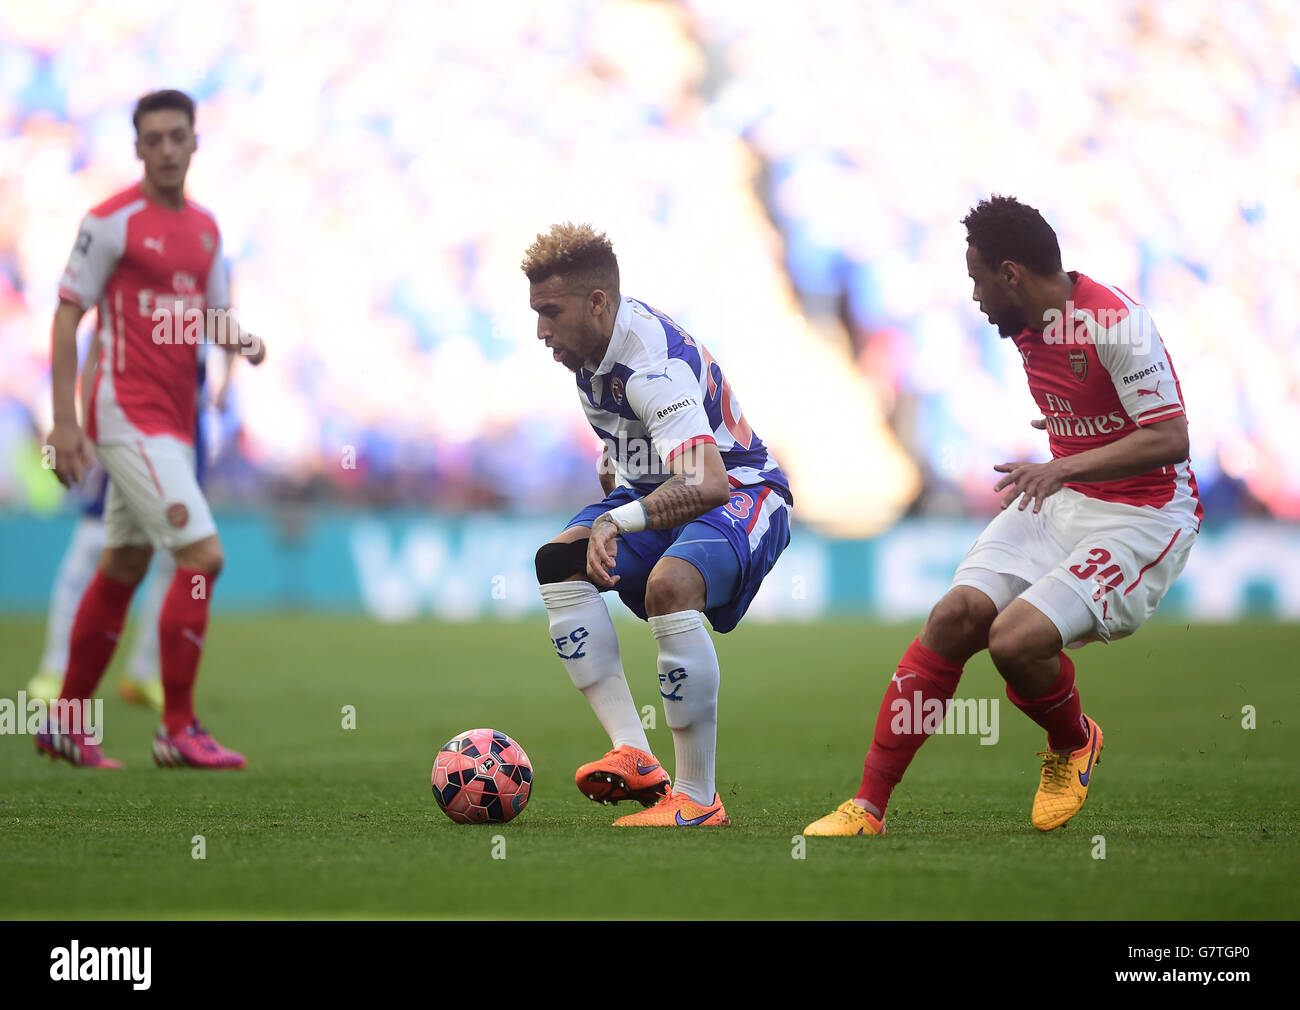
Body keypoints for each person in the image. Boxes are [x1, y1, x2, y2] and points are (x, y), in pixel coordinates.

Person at [805, 195, 1200, 836]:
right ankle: (867, 807)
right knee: (954, 616)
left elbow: (1172, 438)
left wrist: (1067, 463)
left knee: (1014, 641)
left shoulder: (1115, 322)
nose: (975, 296)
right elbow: (1094, 405)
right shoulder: (1023, 322)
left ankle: (1073, 742)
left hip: (1143, 514)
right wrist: (1071, 436)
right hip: (1065, 496)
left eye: (977, 279)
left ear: (1010, 274)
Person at [525, 222, 792, 827]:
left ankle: (698, 800)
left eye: (550, 312)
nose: (540, 330)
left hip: (743, 492)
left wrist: (616, 520)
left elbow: (707, 481)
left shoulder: (652, 366)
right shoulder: (590, 350)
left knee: (670, 585)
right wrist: (614, 483)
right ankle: (636, 754)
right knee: (557, 561)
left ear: (597, 303)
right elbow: (633, 442)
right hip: (657, 488)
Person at [39, 88, 265, 769]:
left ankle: (63, 723)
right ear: (137, 147)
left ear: (195, 142)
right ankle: (177, 726)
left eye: (177, 136)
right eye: (153, 139)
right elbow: (66, 314)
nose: (166, 149)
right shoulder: (111, 222)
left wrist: (243, 343)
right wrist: (64, 423)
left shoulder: (205, 229)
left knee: (125, 565)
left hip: (176, 421)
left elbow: (212, 316)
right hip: (124, 414)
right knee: (202, 559)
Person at [28, 335, 230, 712]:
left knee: (179, 559)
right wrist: (83, 425)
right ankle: (56, 670)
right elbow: (89, 345)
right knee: (96, 545)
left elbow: (224, 324)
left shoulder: (205, 289)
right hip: (129, 423)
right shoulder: (133, 295)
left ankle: (143, 673)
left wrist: (231, 372)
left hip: (185, 431)